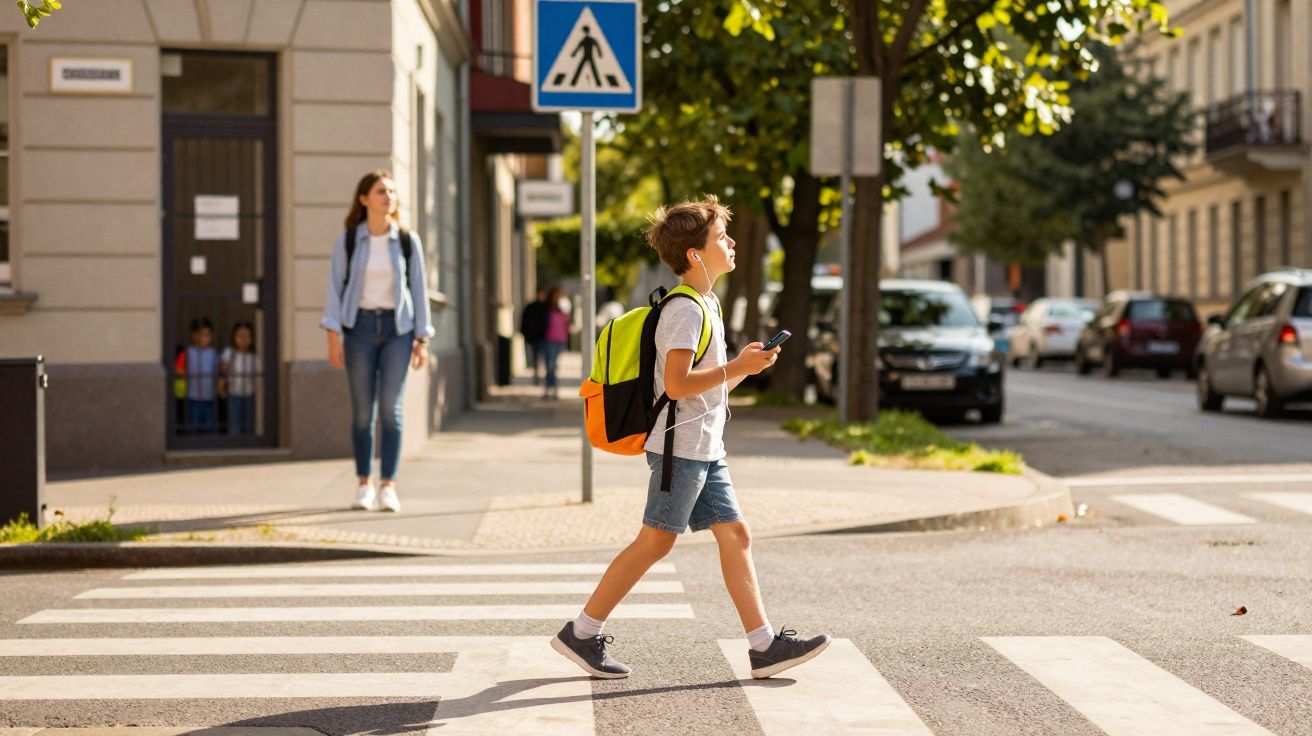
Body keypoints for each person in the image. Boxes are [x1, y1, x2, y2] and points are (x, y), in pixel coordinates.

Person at [550, 195, 831, 680]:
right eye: (722, 236)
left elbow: (705, 388)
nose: (733, 242)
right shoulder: (685, 310)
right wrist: (736, 365)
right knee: (655, 543)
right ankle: (581, 631)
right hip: (679, 449)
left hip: (704, 447)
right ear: (696, 254)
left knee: (735, 534)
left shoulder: (707, 303)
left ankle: (763, 645)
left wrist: (744, 369)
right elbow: (678, 386)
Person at [320, 171, 433, 513]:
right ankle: (363, 484)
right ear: (364, 199)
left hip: (398, 330)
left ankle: (388, 486)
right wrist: (333, 336)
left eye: (392, 192)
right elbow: (334, 288)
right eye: (381, 191)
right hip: (360, 330)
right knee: (362, 413)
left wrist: (422, 338)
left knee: (391, 410)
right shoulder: (349, 240)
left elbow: (419, 290)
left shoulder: (407, 241)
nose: (388, 197)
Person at [220, 321, 258, 436]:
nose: (243, 339)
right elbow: (223, 369)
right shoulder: (229, 352)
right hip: (234, 393)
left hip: (249, 393)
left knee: (249, 422)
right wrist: (222, 384)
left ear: (252, 338)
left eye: (247, 336)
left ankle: (249, 441)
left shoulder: (254, 356)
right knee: (234, 422)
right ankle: (234, 441)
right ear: (234, 337)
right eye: (240, 336)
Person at [184, 318, 219, 434]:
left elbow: (217, 372)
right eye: (201, 334)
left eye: (207, 335)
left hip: (209, 396)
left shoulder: (213, 353)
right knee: (192, 425)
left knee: (208, 426)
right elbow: (180, 369)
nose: (204, 338)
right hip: (192, 396)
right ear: (193, 335)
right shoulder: (188, 352)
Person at [541, 287, 570, 399]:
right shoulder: (546, 309)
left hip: (560, 340)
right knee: (550, 366)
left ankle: (553, 389)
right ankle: (549, 389)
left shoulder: (561, 309)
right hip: (549, 340)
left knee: (554, 365)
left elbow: (567, 323)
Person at [520, 288, 550, 385]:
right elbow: (525, 321)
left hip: (544, 337)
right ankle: (537, 378)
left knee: (545, 359)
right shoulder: (532, 307)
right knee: (537, 358)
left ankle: (544, 379)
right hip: (535, 337)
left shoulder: (546, 307)